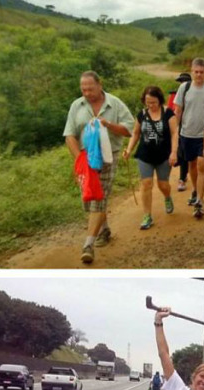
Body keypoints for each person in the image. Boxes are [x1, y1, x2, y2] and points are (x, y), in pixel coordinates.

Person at [63, 70, 134, 264]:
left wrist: (109, 125)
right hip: (85, 160)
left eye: (90, 89)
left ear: (99, 85)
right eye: (83, 89)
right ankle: (104, 229)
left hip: (107, 158)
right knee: (89, 199)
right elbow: (69, 135)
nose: (87, 93)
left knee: (99, 198)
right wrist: (80, 161)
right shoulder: (76, 106)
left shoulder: (115, 104)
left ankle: (88, 245)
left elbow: (129, 130)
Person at [123, 86, 178, 230]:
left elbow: (174, 134)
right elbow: (135, 134)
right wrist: (129, 149)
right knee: (146, 183)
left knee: (162, 184)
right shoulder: (141, 114)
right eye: (148, 103)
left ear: (159, 100)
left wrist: (173, 152)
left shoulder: (168, 113)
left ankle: (167, 197)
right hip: (145, 155)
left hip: (163, 155)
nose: (151, 106)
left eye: (153, 102)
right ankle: (147, 215)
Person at [174, 58, 204, 219]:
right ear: (192, 71)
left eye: (202, 72)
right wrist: (174, 133)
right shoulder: (184, 88)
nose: (199, 75)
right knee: (192, 165)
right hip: (186, 134)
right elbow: (178, 111)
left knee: (202, 165)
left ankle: (199, 201)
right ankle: (195, 189)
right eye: (196, 72)